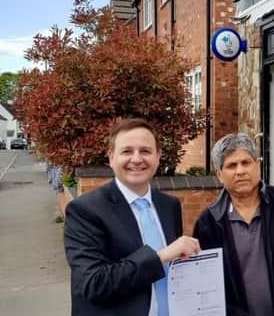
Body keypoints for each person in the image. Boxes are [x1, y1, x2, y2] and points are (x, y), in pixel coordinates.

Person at [64, 118, 200, 316]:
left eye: (145, 151)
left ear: (158, 156)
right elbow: (94, 283)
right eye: (127, 151)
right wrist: (160, 256)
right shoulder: (84, 211)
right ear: (111, 158)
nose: (137, 159)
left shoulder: (169, 206)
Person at [193, 133, 274, 316]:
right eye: (231, 165)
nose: (240, 171)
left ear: (258, 165)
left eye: (246, 162)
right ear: (219, 174)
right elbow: (208, 287)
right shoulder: (208, 222)